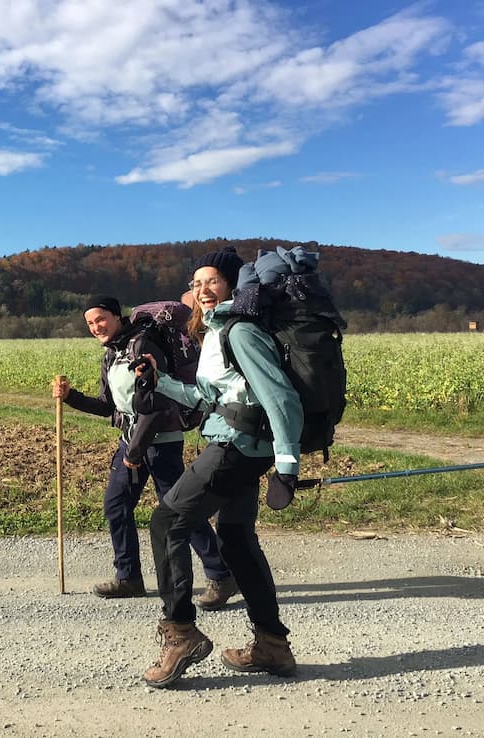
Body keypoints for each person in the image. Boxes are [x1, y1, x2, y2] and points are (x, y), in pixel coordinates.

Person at [134, 246, 303, 688]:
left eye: (211, 281)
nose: (202, 290)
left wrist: (287, 466)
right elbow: (212, 399)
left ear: (232, 285)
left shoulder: (240, 331)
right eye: (195, 283)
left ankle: (181, 633)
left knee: (167, 521)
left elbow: (280, 397)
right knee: (235, 537)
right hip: (239, 443)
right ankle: (272, 644)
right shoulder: (217, 331)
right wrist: (163, 381)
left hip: (235, 449)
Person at [51, 295, 237, 607]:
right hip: (132, 444)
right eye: (90, 323)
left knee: (179, 511)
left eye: (101, 319)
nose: (96, 327)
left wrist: (134, 453)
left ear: (117, 316)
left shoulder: (143, 346)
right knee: (116, 506)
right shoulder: (113, 354)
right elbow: (109, 406)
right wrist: (71, 397)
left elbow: (156, 407)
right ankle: (129, 578)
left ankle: (220, 575)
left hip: (160, 445)